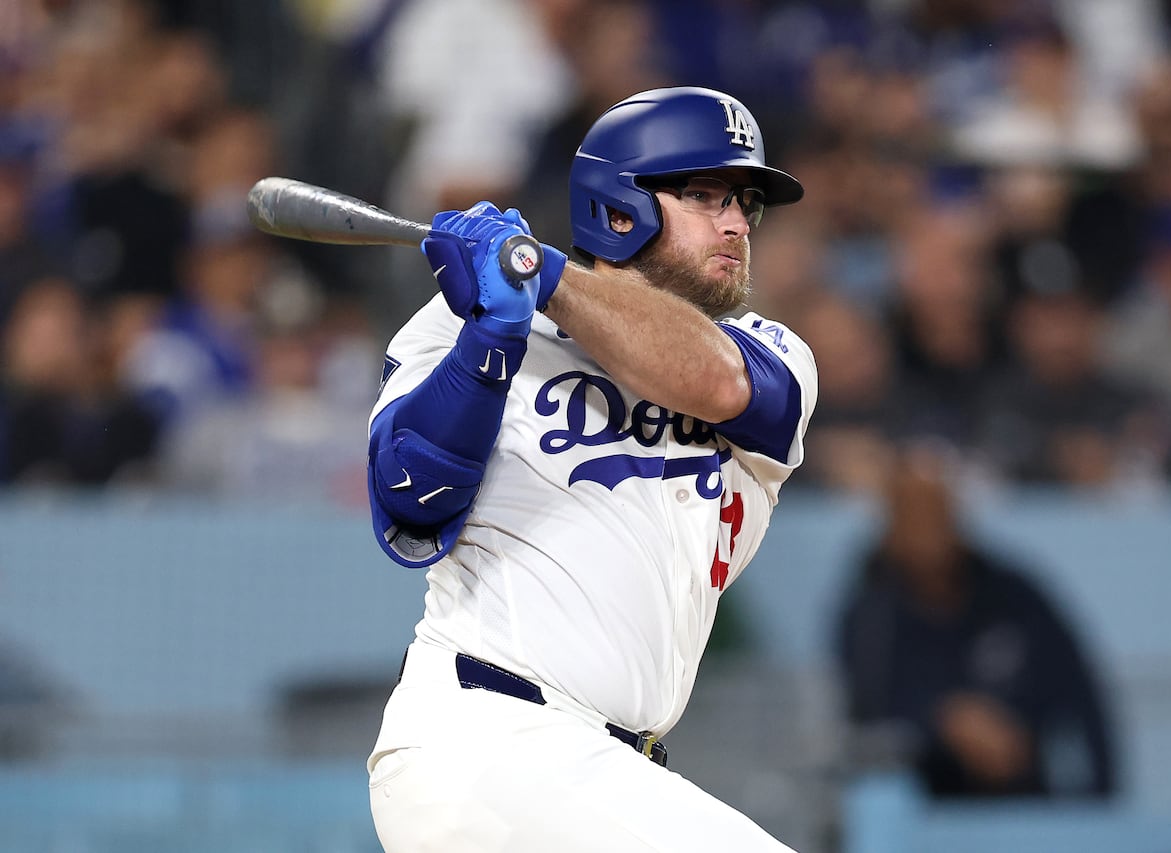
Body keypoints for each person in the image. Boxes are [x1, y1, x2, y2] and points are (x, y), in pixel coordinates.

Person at [362, 86, 816, 851]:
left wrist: (541, 276)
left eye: (746, 202)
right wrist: (488, 346)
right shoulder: (465, 317)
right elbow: (410, 497)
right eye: (705, 195)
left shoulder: (772, 352)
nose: (737, 222)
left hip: (601, 771)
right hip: (486, 734)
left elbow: (713, 383)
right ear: (617, 208)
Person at [833, 446, 1116, 799]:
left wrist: (1099, 804)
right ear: (890, 525)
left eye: (934, 510)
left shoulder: (1015, 597)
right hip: (920, 810)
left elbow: (1081, 696)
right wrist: (943, 720)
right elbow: (867, 715)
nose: (925, 527)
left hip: (1024, 801)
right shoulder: (869, 617)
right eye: (911, 512)